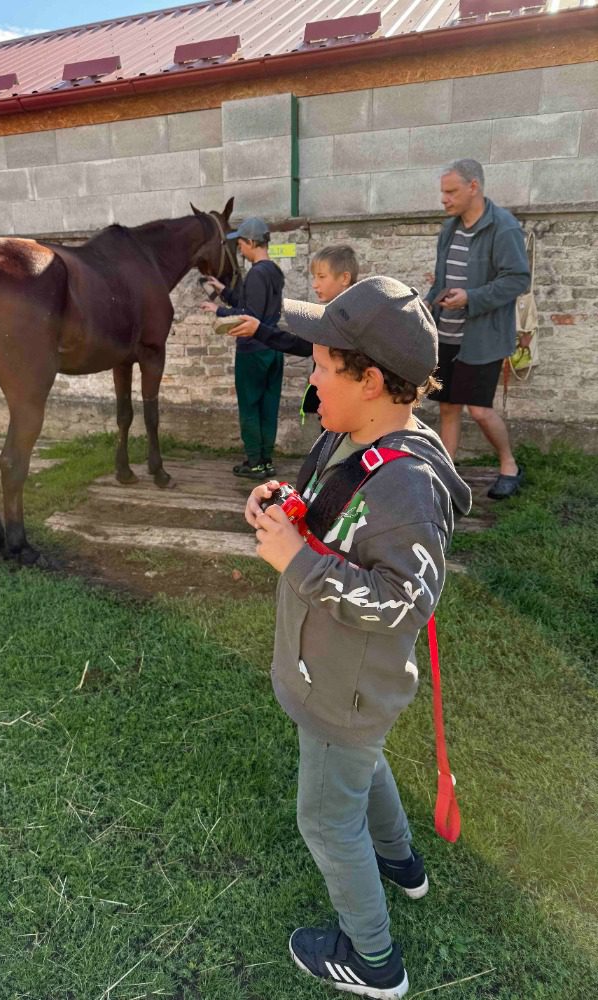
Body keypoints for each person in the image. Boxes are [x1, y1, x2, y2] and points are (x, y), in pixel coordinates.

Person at [243, 276, 472, 998]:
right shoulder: (347, 436)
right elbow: (331, 509)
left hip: (341, 689)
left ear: (370, 381)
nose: (310, 378)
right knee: (362, 765)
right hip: (340, 685)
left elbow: (405, 602)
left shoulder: (408, 488)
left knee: (326, 820)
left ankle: (374, 960)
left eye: (322, 366)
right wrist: (285, 505)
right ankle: (401, 863)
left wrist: (300, 562)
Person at [426, 159, 530, 499]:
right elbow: (441, 280)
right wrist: (426, 307)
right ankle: (446, 475)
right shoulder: (449, 229)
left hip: (483, 339)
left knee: (480, 410)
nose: (444, 199)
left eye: (451, 191)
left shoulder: (504, 227)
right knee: (448, 407)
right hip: (446, 335)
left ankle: (509, 466)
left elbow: (518, 280)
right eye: (443, 191)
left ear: (474, 187)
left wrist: (471, 298)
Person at [226, 244, 359, 422]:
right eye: (314, 277)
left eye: (321, 277)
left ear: (344, 278)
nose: (314, 284)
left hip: (346, 409)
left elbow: (302, 345)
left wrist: (259, 330)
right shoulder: (339, 312)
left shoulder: (348, 317)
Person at [200, 217, 284, 479]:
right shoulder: (273, 271)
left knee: (250, 407)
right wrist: (223, 290)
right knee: (268, 407)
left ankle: (254, 463)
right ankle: (266, 461)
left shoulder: (257, 273)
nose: (239, 249)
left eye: (241, 244)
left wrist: (218, 310)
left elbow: (249, 314)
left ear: (251, 242)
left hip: (253, 350)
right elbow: (250, 302)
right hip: (273, 347)